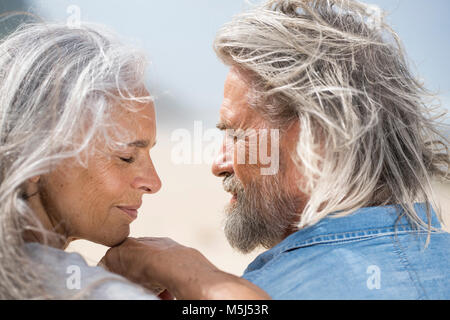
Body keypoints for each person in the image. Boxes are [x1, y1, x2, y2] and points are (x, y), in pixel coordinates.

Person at [102, 0, 450, 299]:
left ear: (315, 144)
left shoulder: (265, 293)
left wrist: (193, 276)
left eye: (236, 135)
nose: (218, 163)